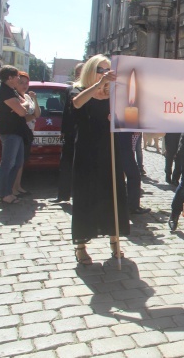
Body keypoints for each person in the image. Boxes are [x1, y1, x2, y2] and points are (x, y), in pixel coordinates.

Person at [71, 55, 130, 265]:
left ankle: (115, 241)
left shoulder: (114, 94)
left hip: (109, 149)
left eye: (107, 69)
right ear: (90, 70)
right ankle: (80, 246)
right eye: (99, 69)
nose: (105, 72)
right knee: (86, 195)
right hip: (87, 151)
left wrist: (118, 118)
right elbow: (77, 104)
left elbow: (130, 116)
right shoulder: (78, 89)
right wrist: (99, 84)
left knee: (112, 193)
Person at [0, 66, 28, 204]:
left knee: (17, 162)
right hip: (10, 132)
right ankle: (3, 193)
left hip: (16, 131)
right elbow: (22, 112)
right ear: (10, 78)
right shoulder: (5, 92)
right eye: (17, 77)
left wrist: (22, 105)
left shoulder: (11, 91)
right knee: (8, 163)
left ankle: (8, 191)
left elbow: (21, 107)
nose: (19, 79)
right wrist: (24, 105)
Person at [57, 63, 83, 202]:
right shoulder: (70, 89)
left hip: (83, 131)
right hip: (70, 131)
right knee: (66, 162)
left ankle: (79, 195)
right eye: (77, 72)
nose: (79, 75)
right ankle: (63, 195)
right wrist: (63, 130)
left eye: (82, 72)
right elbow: (66, 112)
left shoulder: (91, 89)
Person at [11, 71, 40, 197]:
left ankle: (18, 186)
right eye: (21, 82)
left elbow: (37, 114)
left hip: (28, 132)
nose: (24, 85)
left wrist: (34, 98)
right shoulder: (15, 97)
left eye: (26, 83)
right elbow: (21, 117)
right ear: (15, 83)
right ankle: (12, 187)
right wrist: (32, 116)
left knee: (22, 161)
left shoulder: (27, 97)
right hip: (19, 132)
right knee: (16, 161)